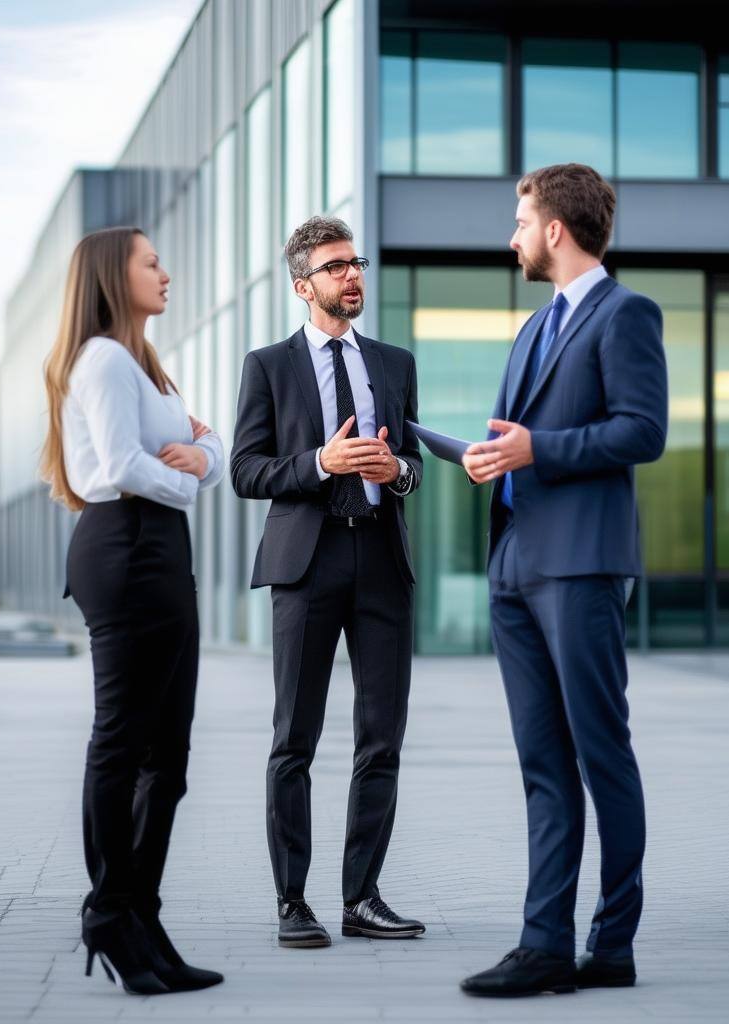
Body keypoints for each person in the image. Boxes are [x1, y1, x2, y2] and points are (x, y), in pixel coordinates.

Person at [459, 165, 668, 997]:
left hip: (582, 566)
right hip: (516, 563)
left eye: (520, 219)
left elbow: (641, 432)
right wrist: (493, 457)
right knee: (542, 765)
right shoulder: (532, 329)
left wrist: (536, 449)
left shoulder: (627, 314)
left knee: (600, 754)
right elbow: (523, 436)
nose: (511, 234)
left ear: (554, 229)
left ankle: (610, 944)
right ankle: (543, 945)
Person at [230, 216, 425, 949]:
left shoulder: (395, 363)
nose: (353, 275)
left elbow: (410, 457)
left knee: (382, 737)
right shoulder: (267, 366)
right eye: (337, 266)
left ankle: (362, 897)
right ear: (302, 285)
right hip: (305, 566)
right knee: (296, 739)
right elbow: (247, 470)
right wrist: (321, 464)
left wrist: (394, 470)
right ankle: (292, 902)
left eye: (357, 263)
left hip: (380, 560)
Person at [40, 226, 225, 995]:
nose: (166, 272)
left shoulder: (145, 367)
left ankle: (139, 913)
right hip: (126, 547)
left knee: (168, 756)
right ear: (115, 275)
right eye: (152, 262)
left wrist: (200, 458)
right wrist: (186, 476)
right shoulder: (103, 359)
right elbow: (118, 467)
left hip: (155, 548)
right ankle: (110, 911)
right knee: (123, 738)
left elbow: (205, 441)